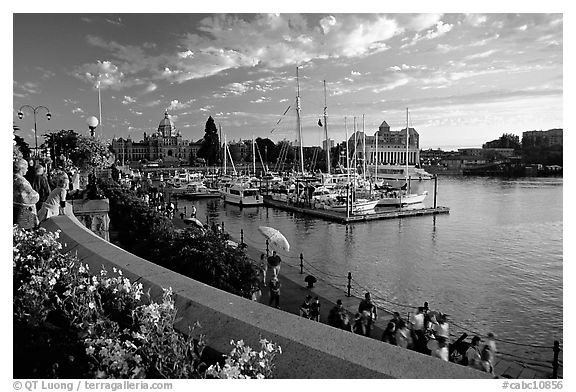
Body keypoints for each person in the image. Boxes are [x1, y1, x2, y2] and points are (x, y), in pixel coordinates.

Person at [13, 158, 40, 229]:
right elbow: (33, 197)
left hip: (14, 209)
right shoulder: (22, 181)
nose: (27, 170)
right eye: (26, 168)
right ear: (21, 169)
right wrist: (37, 194)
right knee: (26, 234)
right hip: (24, 212)